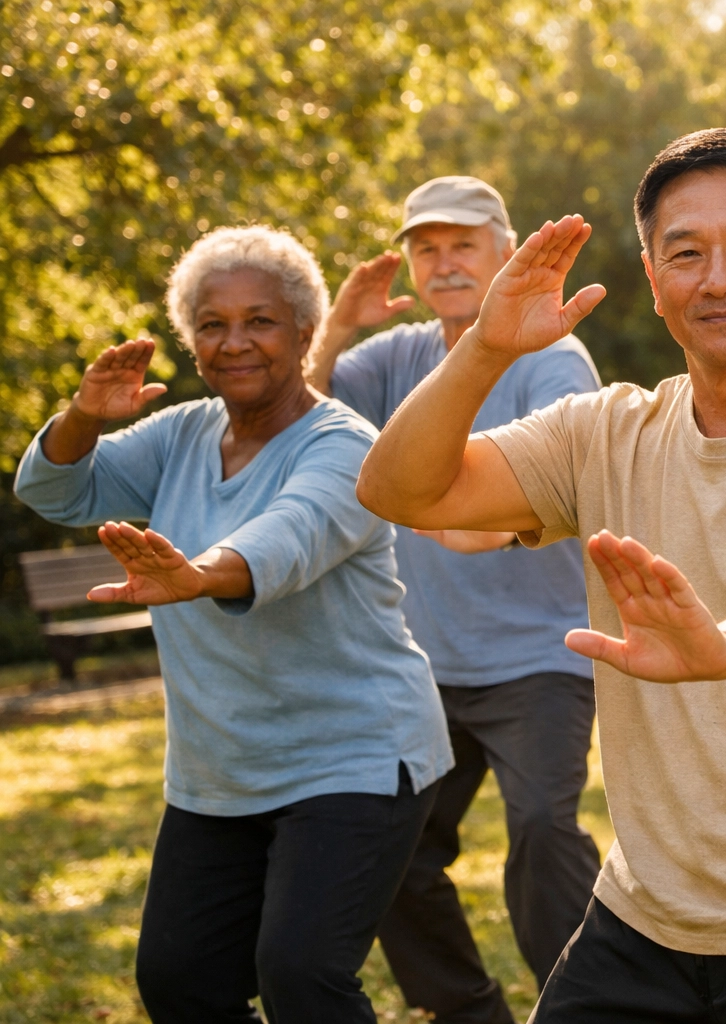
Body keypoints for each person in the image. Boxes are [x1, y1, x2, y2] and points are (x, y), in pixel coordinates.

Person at [354, 128, 726, 1023]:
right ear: (653, 281)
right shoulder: (602, 434)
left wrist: (724, 645)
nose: (718, 278)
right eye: (686, 254)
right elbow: (400, 488)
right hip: (651, 911)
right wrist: (486, 348)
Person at [13, 225, 453, 1023]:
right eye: (213, 325)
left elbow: (288, 537)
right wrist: (83, 414)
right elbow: (56, 492)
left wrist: (198, 575)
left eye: (260, 321)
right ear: (191, 340)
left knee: (302, 977)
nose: (235, 342)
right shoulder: (182, 433)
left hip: (355, 757)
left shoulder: (346, 446)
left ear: (305, 332)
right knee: (181, 982)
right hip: (222, 770)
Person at [305, 175, 602, 1021]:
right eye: (425, 248)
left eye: (463, 243)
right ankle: (470, 1012)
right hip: (422, 664)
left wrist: (481, 521)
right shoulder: (392, 358)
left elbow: (573, 474)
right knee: (389, 854)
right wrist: (334, 327)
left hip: (539, 655)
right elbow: (303, 415)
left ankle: (583, 1006)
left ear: (505, 252)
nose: (443, 264)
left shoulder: (551, 354)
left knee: (545, 829)